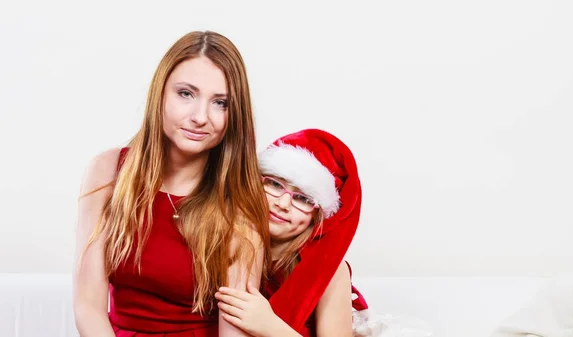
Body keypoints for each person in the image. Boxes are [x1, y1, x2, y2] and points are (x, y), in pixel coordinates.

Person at [72, 30, 270, 337]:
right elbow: (88, 306)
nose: (200, 117)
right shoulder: (108, 171)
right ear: (160, 93)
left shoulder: (240, 201)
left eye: (220, 103)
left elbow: (235, 329)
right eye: (186, 94)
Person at [215, 128, 368, 337]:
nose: (283, 204)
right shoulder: (230, 236)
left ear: (319, 215)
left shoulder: (330, 270)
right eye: (275, 185)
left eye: (303, 199)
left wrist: (268, 326)